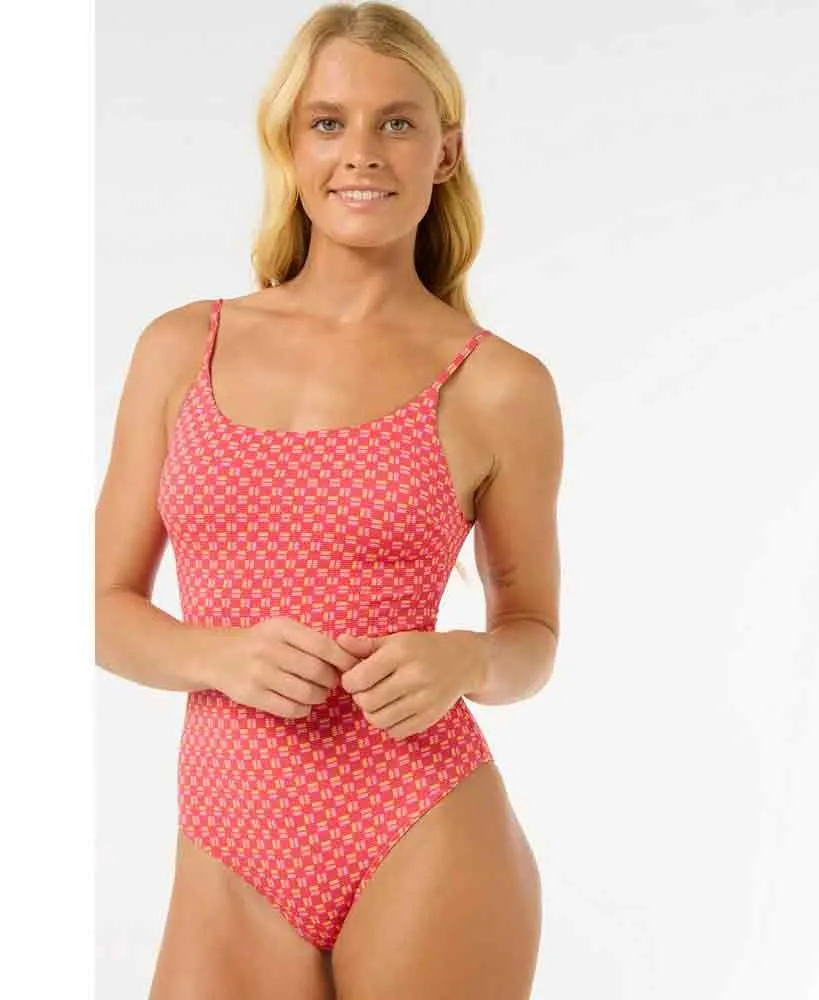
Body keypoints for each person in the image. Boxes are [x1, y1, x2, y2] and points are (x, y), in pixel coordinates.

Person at [93, 3, 563, 998]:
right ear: (290, 146)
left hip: (421, 822)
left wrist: (468, 658)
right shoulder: (182, 348)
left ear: (445, 152)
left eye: (398, 121)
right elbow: (99, 609)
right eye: (328, 122)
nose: (363, 152)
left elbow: (532, 634)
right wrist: (218, 654)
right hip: (228, 838)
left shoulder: (498, 385)